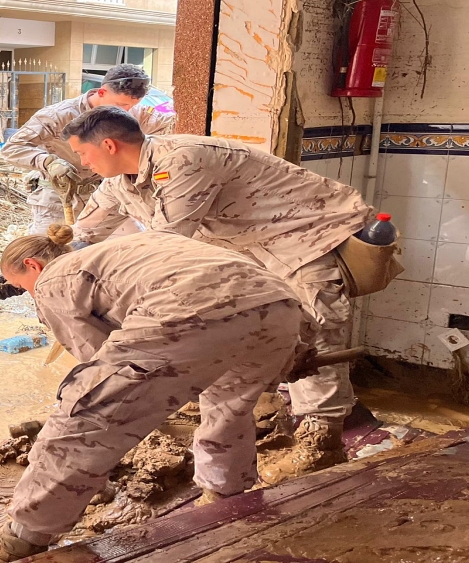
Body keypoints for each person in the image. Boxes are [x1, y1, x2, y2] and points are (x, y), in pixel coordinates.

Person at [66, 107, 372, 474]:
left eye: (83, 153)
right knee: (250, 328)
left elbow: (167, 243)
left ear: (109, 145)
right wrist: (40, 263)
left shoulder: (183, 161)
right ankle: (268, 408)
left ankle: (322, 441)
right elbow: (85, 234)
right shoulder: (121, 181)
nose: (82, 163)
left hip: (305, 239)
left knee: (315, 330)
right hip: (250, 248)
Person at [0, 224, 302, 561]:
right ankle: (225, 496)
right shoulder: (125, 247)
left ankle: (22, 542)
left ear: (33, 266)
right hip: (281, 306)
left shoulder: (52, 279)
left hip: (193, 306)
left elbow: (96, 361)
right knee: (229, 405)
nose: (29, 293)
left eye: (22, 287)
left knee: (83, 420)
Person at [1, 64, 175, 234]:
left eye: (132, 105)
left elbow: (174, 123)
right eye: (121, 105)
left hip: (104, 195)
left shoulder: (135, 113)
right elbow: (12, 147)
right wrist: (48, 162)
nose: (127, 111)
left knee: (129, 245)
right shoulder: (59, 115)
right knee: (49, 251)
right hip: (59, 196)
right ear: (101, 92)